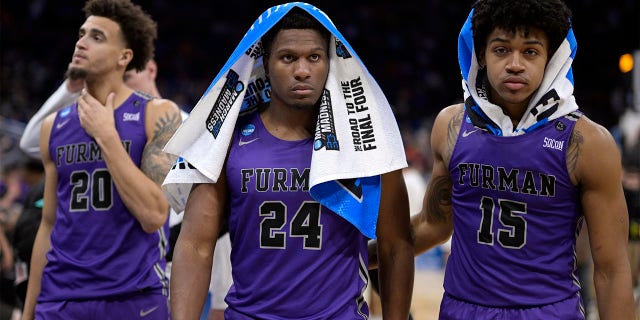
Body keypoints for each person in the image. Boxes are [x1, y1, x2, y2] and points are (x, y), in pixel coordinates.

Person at [370, 0, 634, 319]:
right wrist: (355, 253)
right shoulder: (451, 126)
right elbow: (432, 225)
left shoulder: (588, 142)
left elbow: (611, 270)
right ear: (481, 53)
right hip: (462, 309)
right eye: (501, 50)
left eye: (530, 51)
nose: (515, 64)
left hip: (547, 312)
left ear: (551, 58)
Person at [167, 5, 414, 320]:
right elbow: (195, 245)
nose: (302, 70)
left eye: (314, 57)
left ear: (330, 62)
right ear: (265, 64)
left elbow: (396, 245)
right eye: (288, 58)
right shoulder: (227, 142)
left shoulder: (367, 143)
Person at [21, 0, 182, 318]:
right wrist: (28, 312)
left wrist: (107, 137)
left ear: (125, 57)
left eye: (97, 37)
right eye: (82, 34)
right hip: (59, 300)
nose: (81, 42)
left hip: (132, 298)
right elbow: (48, 225)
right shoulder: (54, 126)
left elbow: (153, 214)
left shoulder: (158, 114)